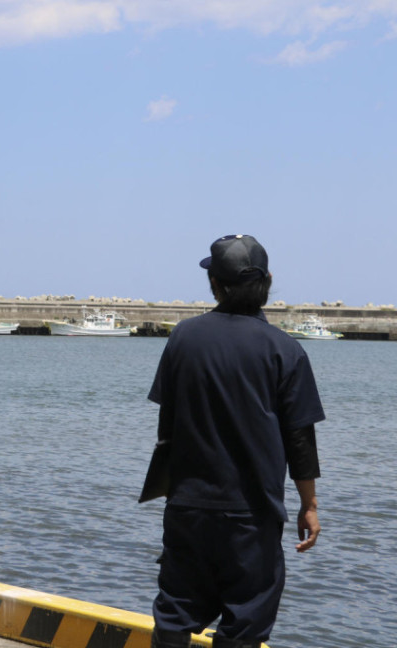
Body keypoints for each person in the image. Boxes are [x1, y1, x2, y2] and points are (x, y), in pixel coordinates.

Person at [143, 234, 324, 648]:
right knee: (245, 624)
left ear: (215, 285)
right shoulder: (285, 350)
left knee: (174, 612)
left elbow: (166, 428)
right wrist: (309, 505)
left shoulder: (183, 338)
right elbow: (300, 439)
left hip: (188, 506)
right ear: (268, 282)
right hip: (252, 514)